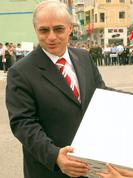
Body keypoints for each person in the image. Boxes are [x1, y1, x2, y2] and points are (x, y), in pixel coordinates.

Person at [5, 1, 108, 178]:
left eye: (58, 29)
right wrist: (55, 156)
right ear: (36, 29)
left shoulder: (84, 58)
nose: (51, 37)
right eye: (44, 30)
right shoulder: (20, 72)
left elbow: (102, 94)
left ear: (70, 28)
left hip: (90, 166)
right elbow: (23, 123)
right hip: (49, 170)